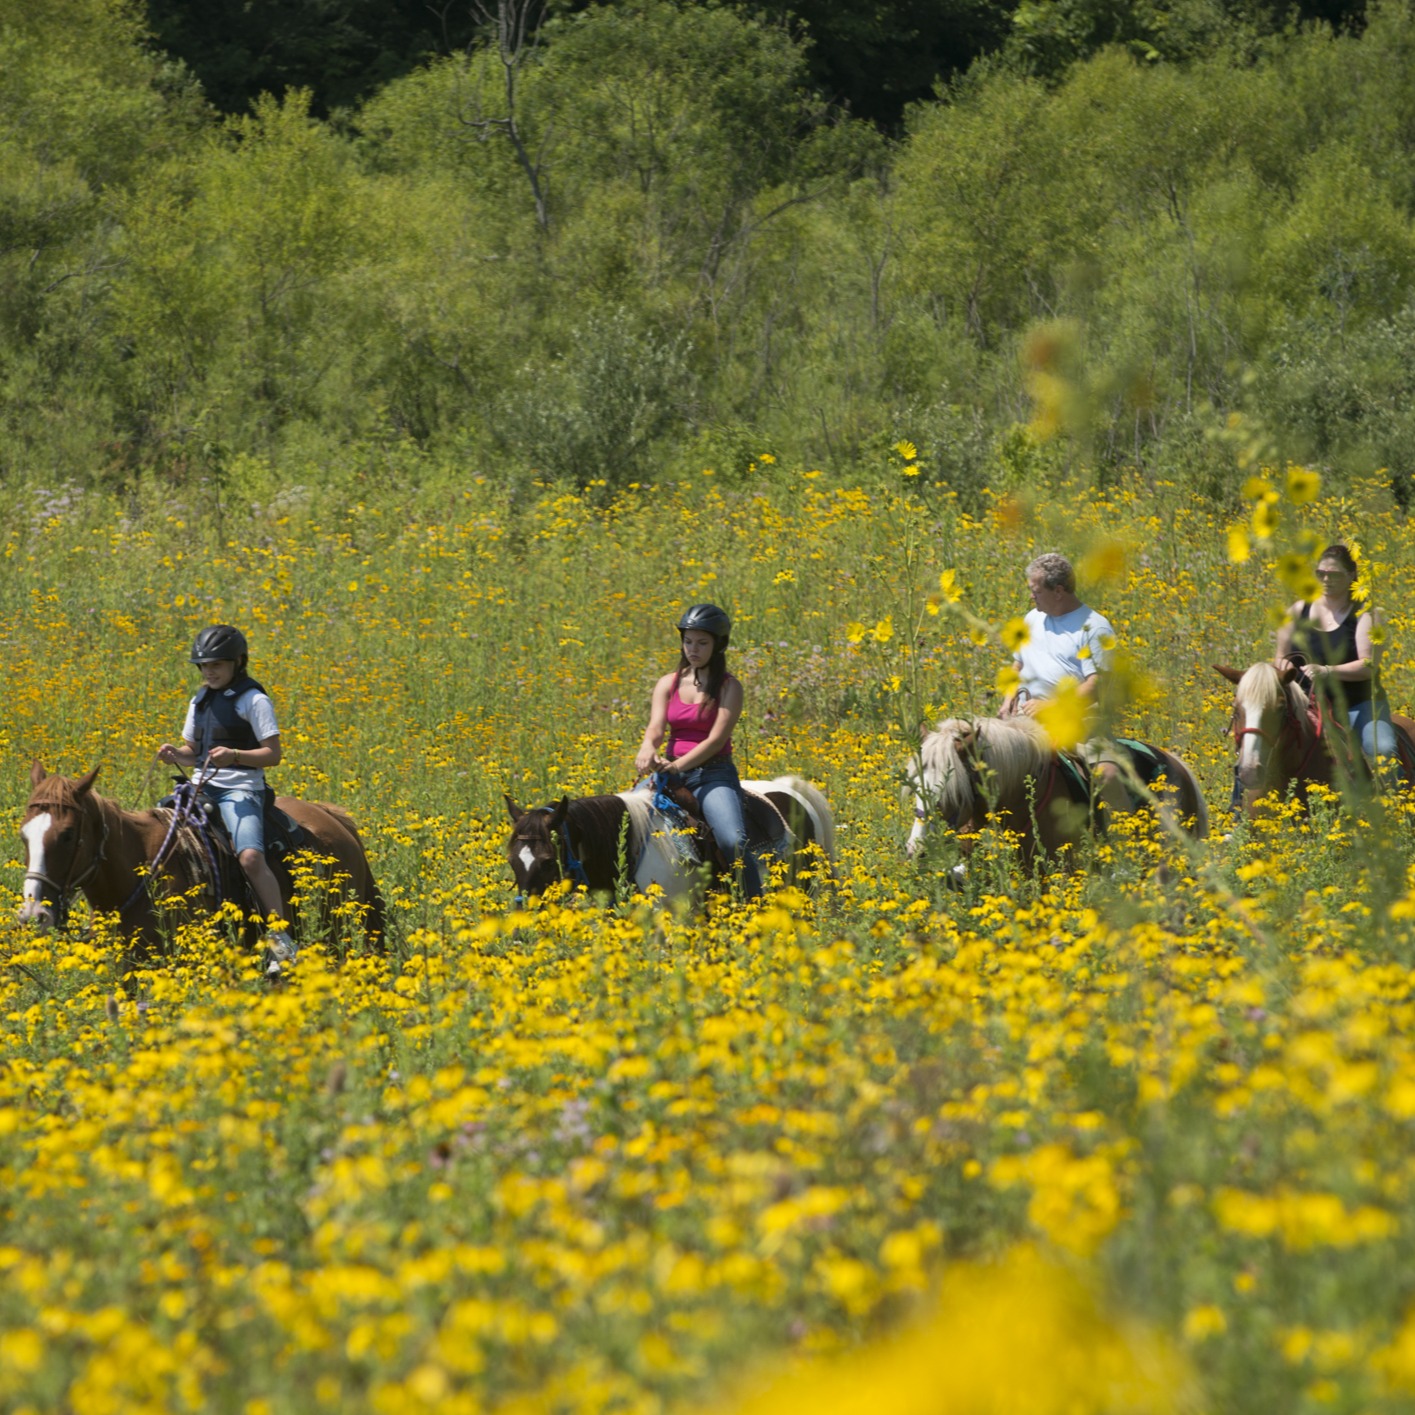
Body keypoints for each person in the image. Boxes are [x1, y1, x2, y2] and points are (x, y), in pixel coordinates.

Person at [157, 625, 297, 975]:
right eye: (203, 666)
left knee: (250, 858)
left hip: (241, 790)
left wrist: (235, 754)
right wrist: (176, 754)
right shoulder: (199, 700)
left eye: (217, 664)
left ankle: (282, 943)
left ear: (238, 662)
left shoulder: (254, 700)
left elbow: (273, 754)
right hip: (200, 789)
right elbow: (194, 752)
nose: (209, 671)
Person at [635, 603, 763, 899]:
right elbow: (656, 727)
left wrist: (678, 767)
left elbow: (716, 740)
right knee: (626, 823)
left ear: (719, 645)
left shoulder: (730, 687)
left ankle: (754, 903)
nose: (693, 649)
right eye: (688, 641)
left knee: (734, 840)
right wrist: (647, 748)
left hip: (712, 774)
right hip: (670, 773)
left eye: (702, 643)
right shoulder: (667, 683)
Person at [998, 552, 1129, 813]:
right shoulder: (1032, 618)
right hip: (1024, 719)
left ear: (1058, 591)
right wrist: (1006, 701)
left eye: (1035, 591)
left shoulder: (1095, 628)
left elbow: (1096, 685)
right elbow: (1018, 664)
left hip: (1078, 723)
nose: (1031, 596)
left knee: (1107, 775)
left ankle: (1128, 838)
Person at [1275, 541, 1397, 773]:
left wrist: (1327, 670)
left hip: (1359, 704)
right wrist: (1286, 667)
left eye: (1334, 574)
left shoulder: (1366, 614)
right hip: (1306, 705)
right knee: (1259, 742)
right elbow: (1280, 657)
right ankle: (1239, 806)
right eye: (1320, 573)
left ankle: (1398, 805)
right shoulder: (1297, 611)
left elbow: (1368, 666)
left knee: (1381, 749)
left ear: (1352, 576)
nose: (1326, 580)